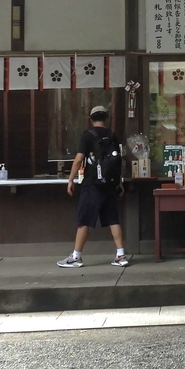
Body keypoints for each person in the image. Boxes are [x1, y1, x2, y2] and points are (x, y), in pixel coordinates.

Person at [58, 105, 129, 268]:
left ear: (91, 119)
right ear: (106, 118)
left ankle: (76, 257)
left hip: (92, 184)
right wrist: (118, 182)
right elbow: (116, 162)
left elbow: (78, 160)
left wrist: (70, 179)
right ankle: (121, 255)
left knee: (84, 220)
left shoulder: (88, 135)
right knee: (113, 219)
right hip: (110, 184)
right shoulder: (112, 135)